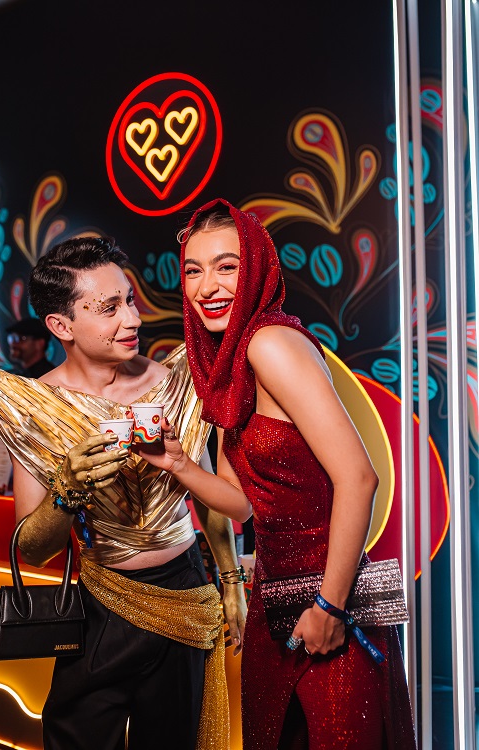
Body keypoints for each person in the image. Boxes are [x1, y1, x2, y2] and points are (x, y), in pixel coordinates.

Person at [134, 199, 417, 749]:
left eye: (227, 266)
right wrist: (177, 462)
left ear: (258, 268)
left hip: (330, 600)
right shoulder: (227, 360)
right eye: (193, 270)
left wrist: (330, 607)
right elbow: (240, 502)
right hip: (274, 603)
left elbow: (359, 478)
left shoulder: (270, 343)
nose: (207, 286)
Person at [0, 236, 245, 750]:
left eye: (130, 300)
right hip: (102, 605)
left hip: (185, 596)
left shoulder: (176, 383)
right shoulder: (37, 410)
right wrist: (67, 489)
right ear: (62, 326)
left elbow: (211, 497)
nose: (133, 319)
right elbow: (33, 549)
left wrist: (230, 581)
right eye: (109, 308)